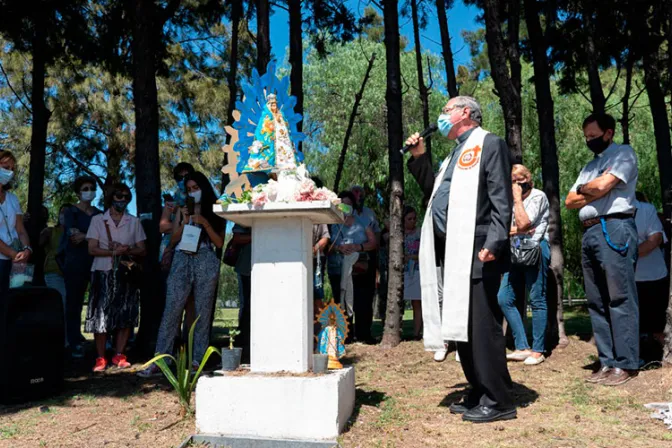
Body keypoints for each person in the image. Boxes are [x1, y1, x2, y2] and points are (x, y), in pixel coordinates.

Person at [405, 96, 515, 423]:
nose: (441, 116)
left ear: (465, 113)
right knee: (462, 325)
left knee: (482, 325)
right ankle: (479, 390)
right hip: (453, 248)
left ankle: (498, 400)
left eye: (446, 110)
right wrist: (420, 158)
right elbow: (433, 194)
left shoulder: (488, 144)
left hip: (479, 244)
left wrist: (495, 241)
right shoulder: (455, 153)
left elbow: (500, 196)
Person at [565, 112, 639, 386]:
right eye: (586, 137)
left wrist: (594, 188)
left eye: (594, 136)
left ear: (609, 133)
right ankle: (607, 361)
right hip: (590, 231)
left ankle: (627, 363)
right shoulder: (589, 165)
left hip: (615, 227)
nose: (589, 141)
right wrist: (591, 188)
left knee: (619, 297)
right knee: (596, 301)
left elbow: (606, 184)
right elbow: (570, 201)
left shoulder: (623, 154)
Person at [138, 172, 225, 377]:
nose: (193, 192)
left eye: (196, 187)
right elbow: (174, 238)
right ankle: (161, 360)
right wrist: (185, 221)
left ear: (204, 187)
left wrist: (204, 222)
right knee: (172, 310)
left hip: (205, 257)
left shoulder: (215, 210)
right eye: (189, 189)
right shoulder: (181, 209)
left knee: (202, 312)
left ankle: (198, 359)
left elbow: (219, 243)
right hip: (181, 258)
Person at [86, 183, 146, 372]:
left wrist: (126, 249)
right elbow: (92, 248)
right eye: (118, 196)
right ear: (111, 198)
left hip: (126, 272)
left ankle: (120, 354)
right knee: (100, 315)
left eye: (126, 197)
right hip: (102, 271)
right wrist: (112, 252)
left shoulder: (133, 221)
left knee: (126, 312)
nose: (122, 200)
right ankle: (101, 357)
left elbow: (142, 249)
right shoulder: (97, 220)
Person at [497, 165, 550, 366]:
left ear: (528, 179)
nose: (516, 184)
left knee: (537, 298)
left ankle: (538, 350)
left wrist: (518, 201)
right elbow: (509, 227)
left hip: (535, 249)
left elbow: (525, 224)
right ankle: (522, 346)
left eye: (519, 179)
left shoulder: (538, 196)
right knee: (504, 298)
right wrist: (515, 230)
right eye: (512, 180)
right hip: (515, 251)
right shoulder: (508, 201)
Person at [327, 191, 377, 343]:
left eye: (349, 205)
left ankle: (364, 334)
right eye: (343, 204)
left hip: (359, 270)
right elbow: (326, 243)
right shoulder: (332, 224)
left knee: (362, 302)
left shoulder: (362, 222)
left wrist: (358, 246)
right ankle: (345, 336)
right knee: (341, 300)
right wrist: (338, 248)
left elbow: (373, 242)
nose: (345, 207)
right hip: (338, 269)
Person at [62, 176, 102, 358]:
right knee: (74, 304)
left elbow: (101, 237)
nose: (89, 191)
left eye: (92, 188)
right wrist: (90, 237)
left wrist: (86, 236)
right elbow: (73, 236)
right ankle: (74, 342)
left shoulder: (99, 214)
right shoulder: (71, 211)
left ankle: (102, 341)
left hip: (96, 263)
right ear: (78, 192)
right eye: (85, 188)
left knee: (98, 303)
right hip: (75, 263)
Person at [633, 192, 669, 350]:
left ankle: (661, 348)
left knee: (657, 322)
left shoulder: (648, 211)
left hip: (653, 275)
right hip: (635, 277)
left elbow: (656, 240)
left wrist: (627, 256)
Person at [350, 186, 380, 343]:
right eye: (356, 195)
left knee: (366, 299)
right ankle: (348, 334)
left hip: (367, 260)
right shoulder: (347, 213)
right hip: (348, 261)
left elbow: (377, 235)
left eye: (362, 195)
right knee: (349, 297)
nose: (359, 198)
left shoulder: (370, 214)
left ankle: (365, 333)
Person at [0, 150, 31, 297]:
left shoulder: (13, 198)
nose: (10, 172)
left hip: (15, 263)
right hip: (7, 258)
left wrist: (26, 249)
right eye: (6, 167)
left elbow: (20, 229)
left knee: (12, 305)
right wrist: (13, 254)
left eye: (12, 169)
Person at [41, 204, 72, 345]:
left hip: (72, 272)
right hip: (54, 270)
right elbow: (39, 242)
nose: (64, 215)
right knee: (61, 302)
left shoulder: (76, 232)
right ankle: (62, 340)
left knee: (71, 306)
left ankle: (70, 338)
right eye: (62, 212)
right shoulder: (51, 231)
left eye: (68, 213)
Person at [402, 206, 423, 339]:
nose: (413, 221)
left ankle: (416, 333)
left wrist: (411, 257)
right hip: (401, 272)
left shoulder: (420, 233)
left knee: (417, 302)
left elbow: (424, 252)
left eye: (414, 218)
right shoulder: (397, 234)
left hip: (416, 271)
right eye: (409, 218)